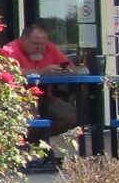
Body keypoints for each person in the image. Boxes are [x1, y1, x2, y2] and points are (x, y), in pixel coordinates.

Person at [6, 22, 81, 158]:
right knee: (30, 118)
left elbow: (73, 69)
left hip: (45, 97)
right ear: (23, 40)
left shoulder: (50, 48)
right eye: (36, 44)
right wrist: (42, 72)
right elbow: (8, 72)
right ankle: (23, 144)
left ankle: (33, 140)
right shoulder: (11, 49)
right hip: (19, 98)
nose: (40, 47)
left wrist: (64, 71)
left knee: (73, 117)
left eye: (43, 44)